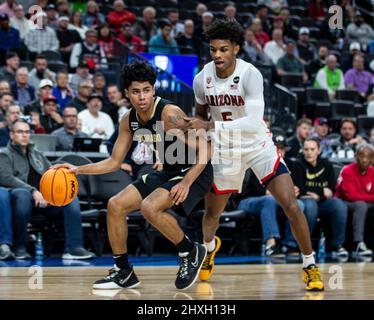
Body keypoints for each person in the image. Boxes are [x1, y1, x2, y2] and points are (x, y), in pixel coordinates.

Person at [186, 19, 324, 291]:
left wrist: (210, 126)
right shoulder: (202, 78)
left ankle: (309, 264)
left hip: (256, 144)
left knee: (291, 205)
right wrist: (197, 138)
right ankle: (209, 248)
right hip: (225, 148)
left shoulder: (251, 75)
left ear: (236, 48)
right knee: (212, 213)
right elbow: (200, 116)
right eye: (213, 49)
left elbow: (252, 122)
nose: (217, 55)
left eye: (223, 49)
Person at [53, 60, 213, 290]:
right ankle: (123, 271)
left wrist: (187, 182)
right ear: (127, 93)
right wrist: (77, 170)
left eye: (146, 90)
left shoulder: (169, 114)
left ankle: (190, 251)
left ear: (154, 89)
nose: (142, 97)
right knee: (115, 205)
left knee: (149, 207)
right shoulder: (129, 120)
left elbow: (206, 149)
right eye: (136, 92)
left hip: (195, 172)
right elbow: (114, 162)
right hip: (169, 171)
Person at [0, 118, 95, 259]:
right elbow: (6, 178)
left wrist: (62, 177)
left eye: (27, 132)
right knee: (22, 194)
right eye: (20, 132)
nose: (24, 135)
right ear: (12, 135)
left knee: (70, 198)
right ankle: (20, 247)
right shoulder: (4, 154)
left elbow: (51, 172)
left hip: (44, 198)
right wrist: (33, 191)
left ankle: (74, 248)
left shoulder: (37, 154)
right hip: (19, 199)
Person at [293, 138, 348, 258]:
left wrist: (319, 195)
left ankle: (337, 245)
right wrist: (322, 192)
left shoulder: (326, 165)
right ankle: (306, 246)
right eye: (306, 149)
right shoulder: (297, 164)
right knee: (311, 204)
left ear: (319, 150)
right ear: (302, 150)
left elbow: (332, 189)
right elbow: (300, 189)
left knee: (339, 205)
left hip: (322, 202)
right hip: (304, 201)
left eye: (312, 149)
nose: (309, 152)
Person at [335, 143, 374, 257]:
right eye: (362, 155)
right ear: (356, 156)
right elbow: (351, 196)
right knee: (361, 205)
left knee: (362, 204)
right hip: (343, 202)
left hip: (364, 203)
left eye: (369, 156)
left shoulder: (373, 171)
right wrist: (369, 197)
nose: (365, 159)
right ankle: (358, 244)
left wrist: (365, 197)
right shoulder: (347, 170)